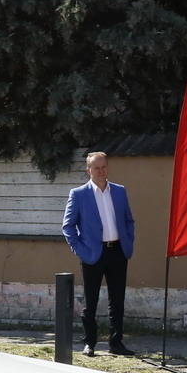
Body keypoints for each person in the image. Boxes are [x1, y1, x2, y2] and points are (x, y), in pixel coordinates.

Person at [62, 151, 137, 356]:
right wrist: (81, 251)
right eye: (97, 168)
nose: (101, 171)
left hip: (118, 251)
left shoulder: (119, 191)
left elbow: (129, 220)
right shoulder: (78, 194)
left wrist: (128, 241)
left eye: (104, 167)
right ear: (89, 170)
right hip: (92, 254)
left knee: (117, 300)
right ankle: (90, 342)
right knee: (90, 301)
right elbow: (68, 227)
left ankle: (116, 343)